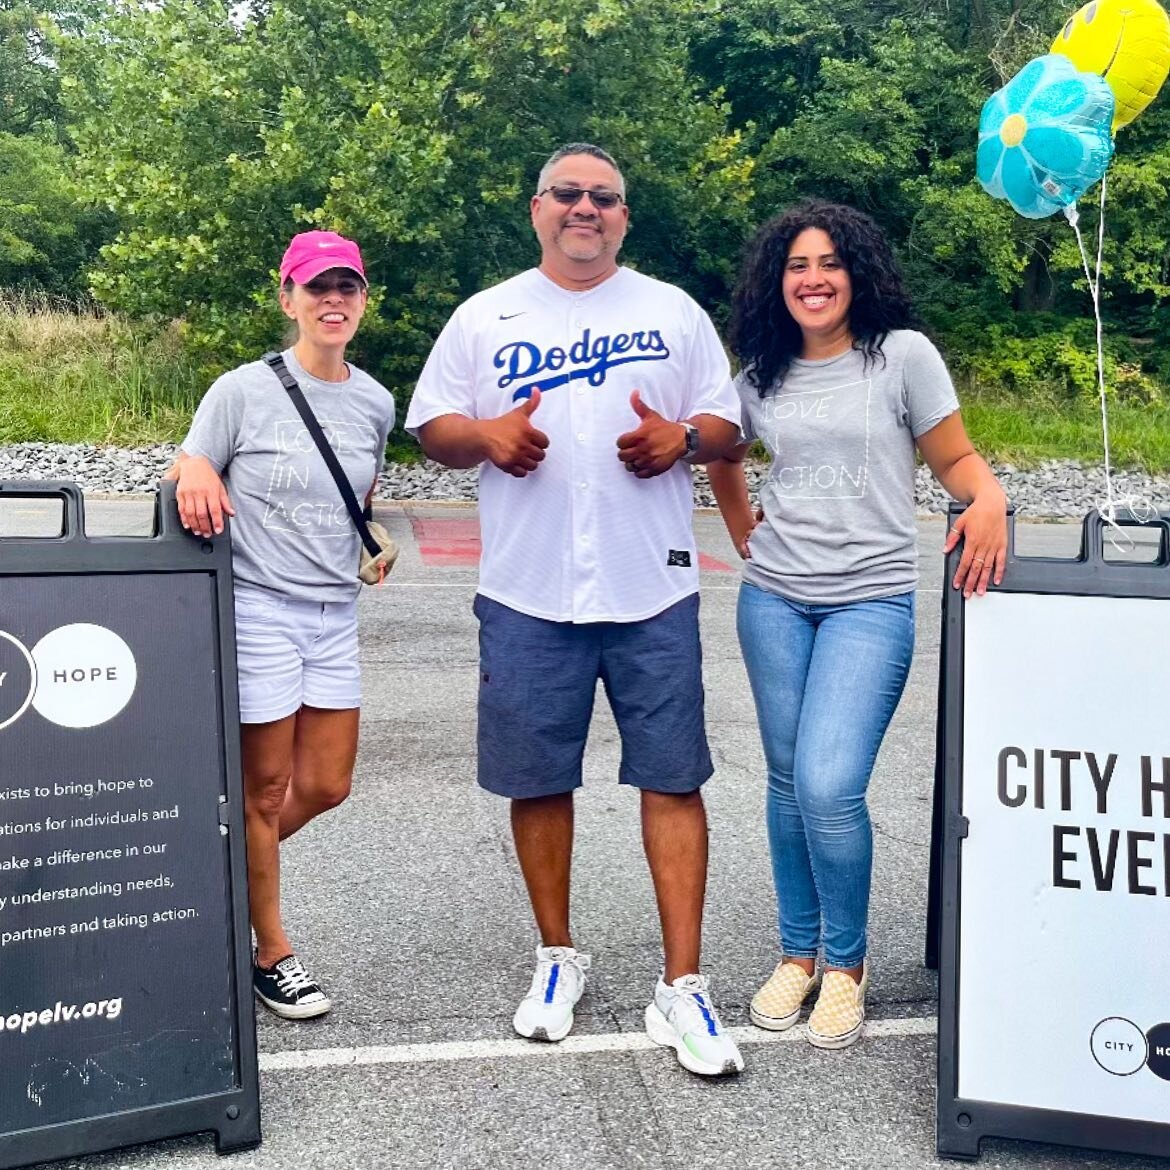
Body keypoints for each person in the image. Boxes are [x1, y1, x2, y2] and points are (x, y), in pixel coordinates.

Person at [405, 143, 745, 1077]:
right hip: (528, 588)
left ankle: (684, 986)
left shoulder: (671, 310)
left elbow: (727, 424)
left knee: (673, 778)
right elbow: (433, 426)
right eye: (568, 194)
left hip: (652, 585)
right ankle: (558, 955)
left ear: (625, 218)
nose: (585, 208)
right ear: (537, 207)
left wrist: (682, 437)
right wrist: (485, 435)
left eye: (604, 198)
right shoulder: (486, 315)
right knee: (536, 777)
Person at [707, 201, 1007, 1050]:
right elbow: (723, 451)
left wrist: (988, 499)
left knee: (829, 785)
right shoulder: (760, 372)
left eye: (830, 262)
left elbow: (955, 457)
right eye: (797, 265)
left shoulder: (900, 357)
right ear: (779, 280)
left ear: (857, 273)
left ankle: (846, 965)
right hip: (773, 599)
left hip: (868, 601)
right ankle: (796, 953)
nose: (813, 278)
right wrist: (739, 527)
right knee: (782, 779)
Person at [165, 230, 395, 1019]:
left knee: (327, 783)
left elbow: (357, 495)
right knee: (262, 791)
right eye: (317, 288)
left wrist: (371, 539)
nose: (333, 301)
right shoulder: (243, 389)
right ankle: (272, 950)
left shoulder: (374, 400)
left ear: (364, 300)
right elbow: (192, 462)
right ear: (288, 298)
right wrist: (192, 466)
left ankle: (215, 873)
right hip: (259, 606)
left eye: (348, 288)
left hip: (336, 610)